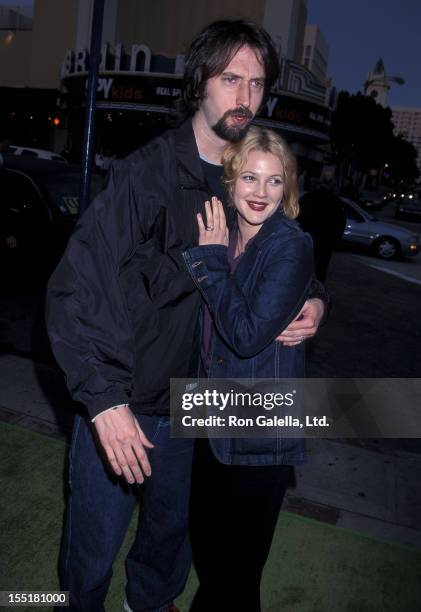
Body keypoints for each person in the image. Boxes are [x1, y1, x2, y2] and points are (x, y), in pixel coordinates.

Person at [46, 19, 327, 612]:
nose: (245, 97)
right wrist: (104, 401)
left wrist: (316, 296)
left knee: (168, 546)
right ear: (200, 82)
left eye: (256, 83)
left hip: (202, 406)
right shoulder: (144, 175)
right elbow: (76, 287)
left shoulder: (244, 176)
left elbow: (278, 247)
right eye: (231, 79)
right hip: (128, 401)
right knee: (91, 556)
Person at [183, 126, 313, 611]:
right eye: (251, 179)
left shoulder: (289, 244)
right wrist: (319, 297)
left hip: (258, 429)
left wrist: (212, 262)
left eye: (274, 181)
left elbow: (245, 334)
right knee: (212, 558)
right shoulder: (223, 231)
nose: (261, 193)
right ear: (231, 181)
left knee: (233, 574)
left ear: (288, 188)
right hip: (209, 418)